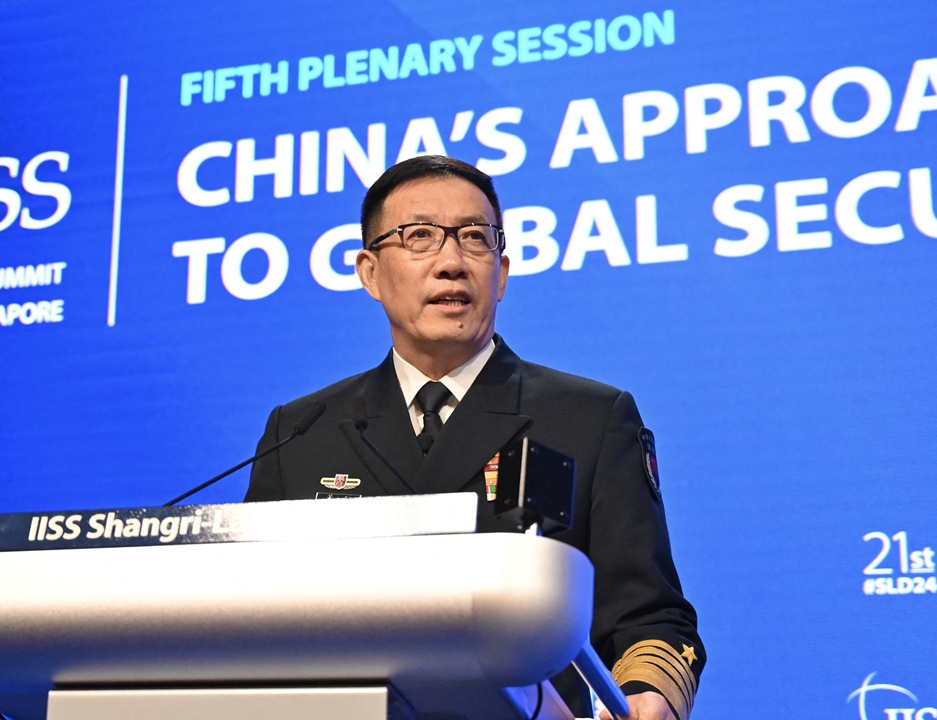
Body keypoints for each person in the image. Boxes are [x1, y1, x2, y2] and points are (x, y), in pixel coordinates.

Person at [245, 155, 704, 720]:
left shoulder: (587, 418)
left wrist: (649, 696)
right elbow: (251, 619)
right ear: (370, 272)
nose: (451, 263)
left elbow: (648, 619)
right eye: (419, 236)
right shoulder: (301, 432)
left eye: (474, 238)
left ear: (501, 273)